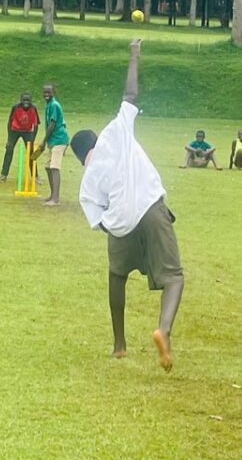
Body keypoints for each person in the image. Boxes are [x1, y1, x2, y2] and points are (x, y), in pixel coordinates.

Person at [72, 38, 184, 372]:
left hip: (118, 221)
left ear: (81, 158)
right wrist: (134, 55)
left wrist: (119, 224)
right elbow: (130, 95)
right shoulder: (116, 130)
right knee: (174, 277)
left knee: (116, 275)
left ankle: (119, 345)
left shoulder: (86, 181)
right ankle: (162, 330)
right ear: (95, 140)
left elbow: (98, 221)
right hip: (150, 206)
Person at [0, 92, 41, 182]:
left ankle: (35, 176)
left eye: (28, 100)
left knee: (32, 152)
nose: (26, 102)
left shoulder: (33, 108)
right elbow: (9, 122)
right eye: (24, 100)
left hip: (27, 131)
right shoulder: (16, 107)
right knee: (9, 149)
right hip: (15, 130)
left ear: (31, 101)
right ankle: (3, 175)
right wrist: (9, 139)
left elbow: (36, 125)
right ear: (20, 100)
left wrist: (33, 139)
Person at [41, 84, 70, 206]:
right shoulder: (48, 105)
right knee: (48, 167)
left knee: (54, 167)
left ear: (54, 92)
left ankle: (55, 199)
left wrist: (43, 141)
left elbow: (52, 125)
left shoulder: (54, 105)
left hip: (59, 140)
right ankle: (52, 195)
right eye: (45, 92)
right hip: (53, 141)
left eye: (49, 92)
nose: (46, 94)